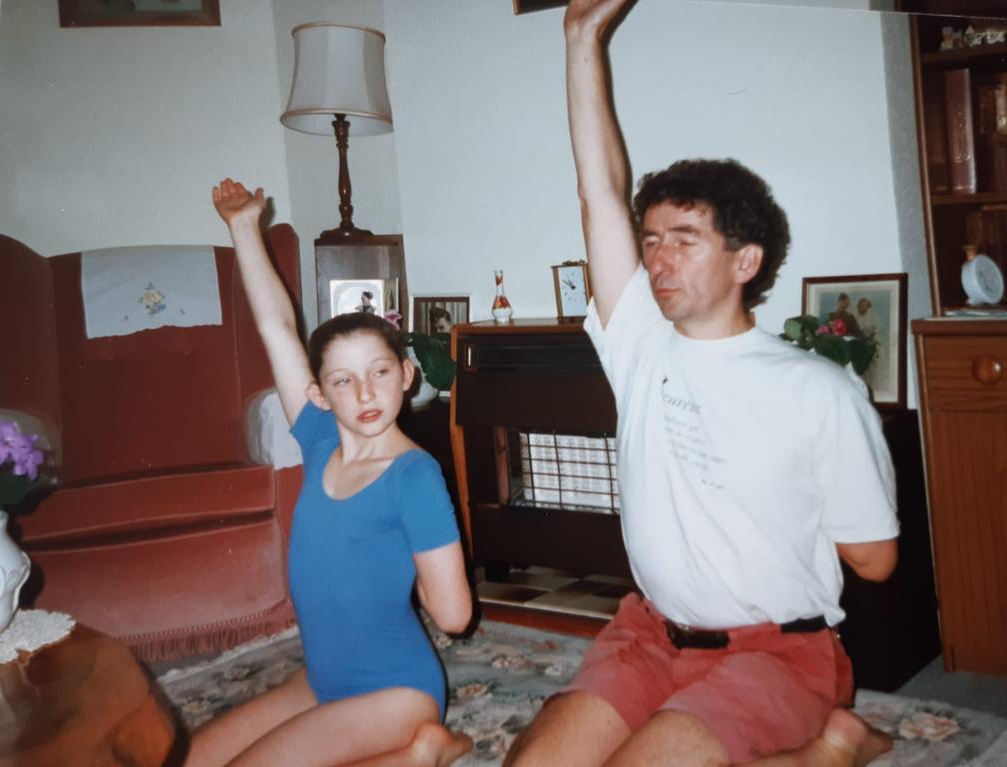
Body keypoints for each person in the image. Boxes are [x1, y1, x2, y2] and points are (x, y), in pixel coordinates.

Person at [505, 2, 900, 766]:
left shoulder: (817, 390)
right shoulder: (641, 346)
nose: (658, 260)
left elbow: (876, 559)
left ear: (745, 261)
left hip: (778, 653)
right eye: (651, 241)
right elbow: (598, 194)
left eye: (684, 242)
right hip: (649, 632)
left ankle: (832, 746)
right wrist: (580, 38)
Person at [185, 179, 474, 767]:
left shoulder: (414, 477)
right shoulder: (318, 441)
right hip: (321, 680)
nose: (365, 392)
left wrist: (423, 564)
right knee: (184, 759)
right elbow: (276, 328)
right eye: (343, 380)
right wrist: (244, 227)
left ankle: (424, 749)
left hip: (397, 691)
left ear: (408, 376)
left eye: (380, 372)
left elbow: (455, 615)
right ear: (319, 394)